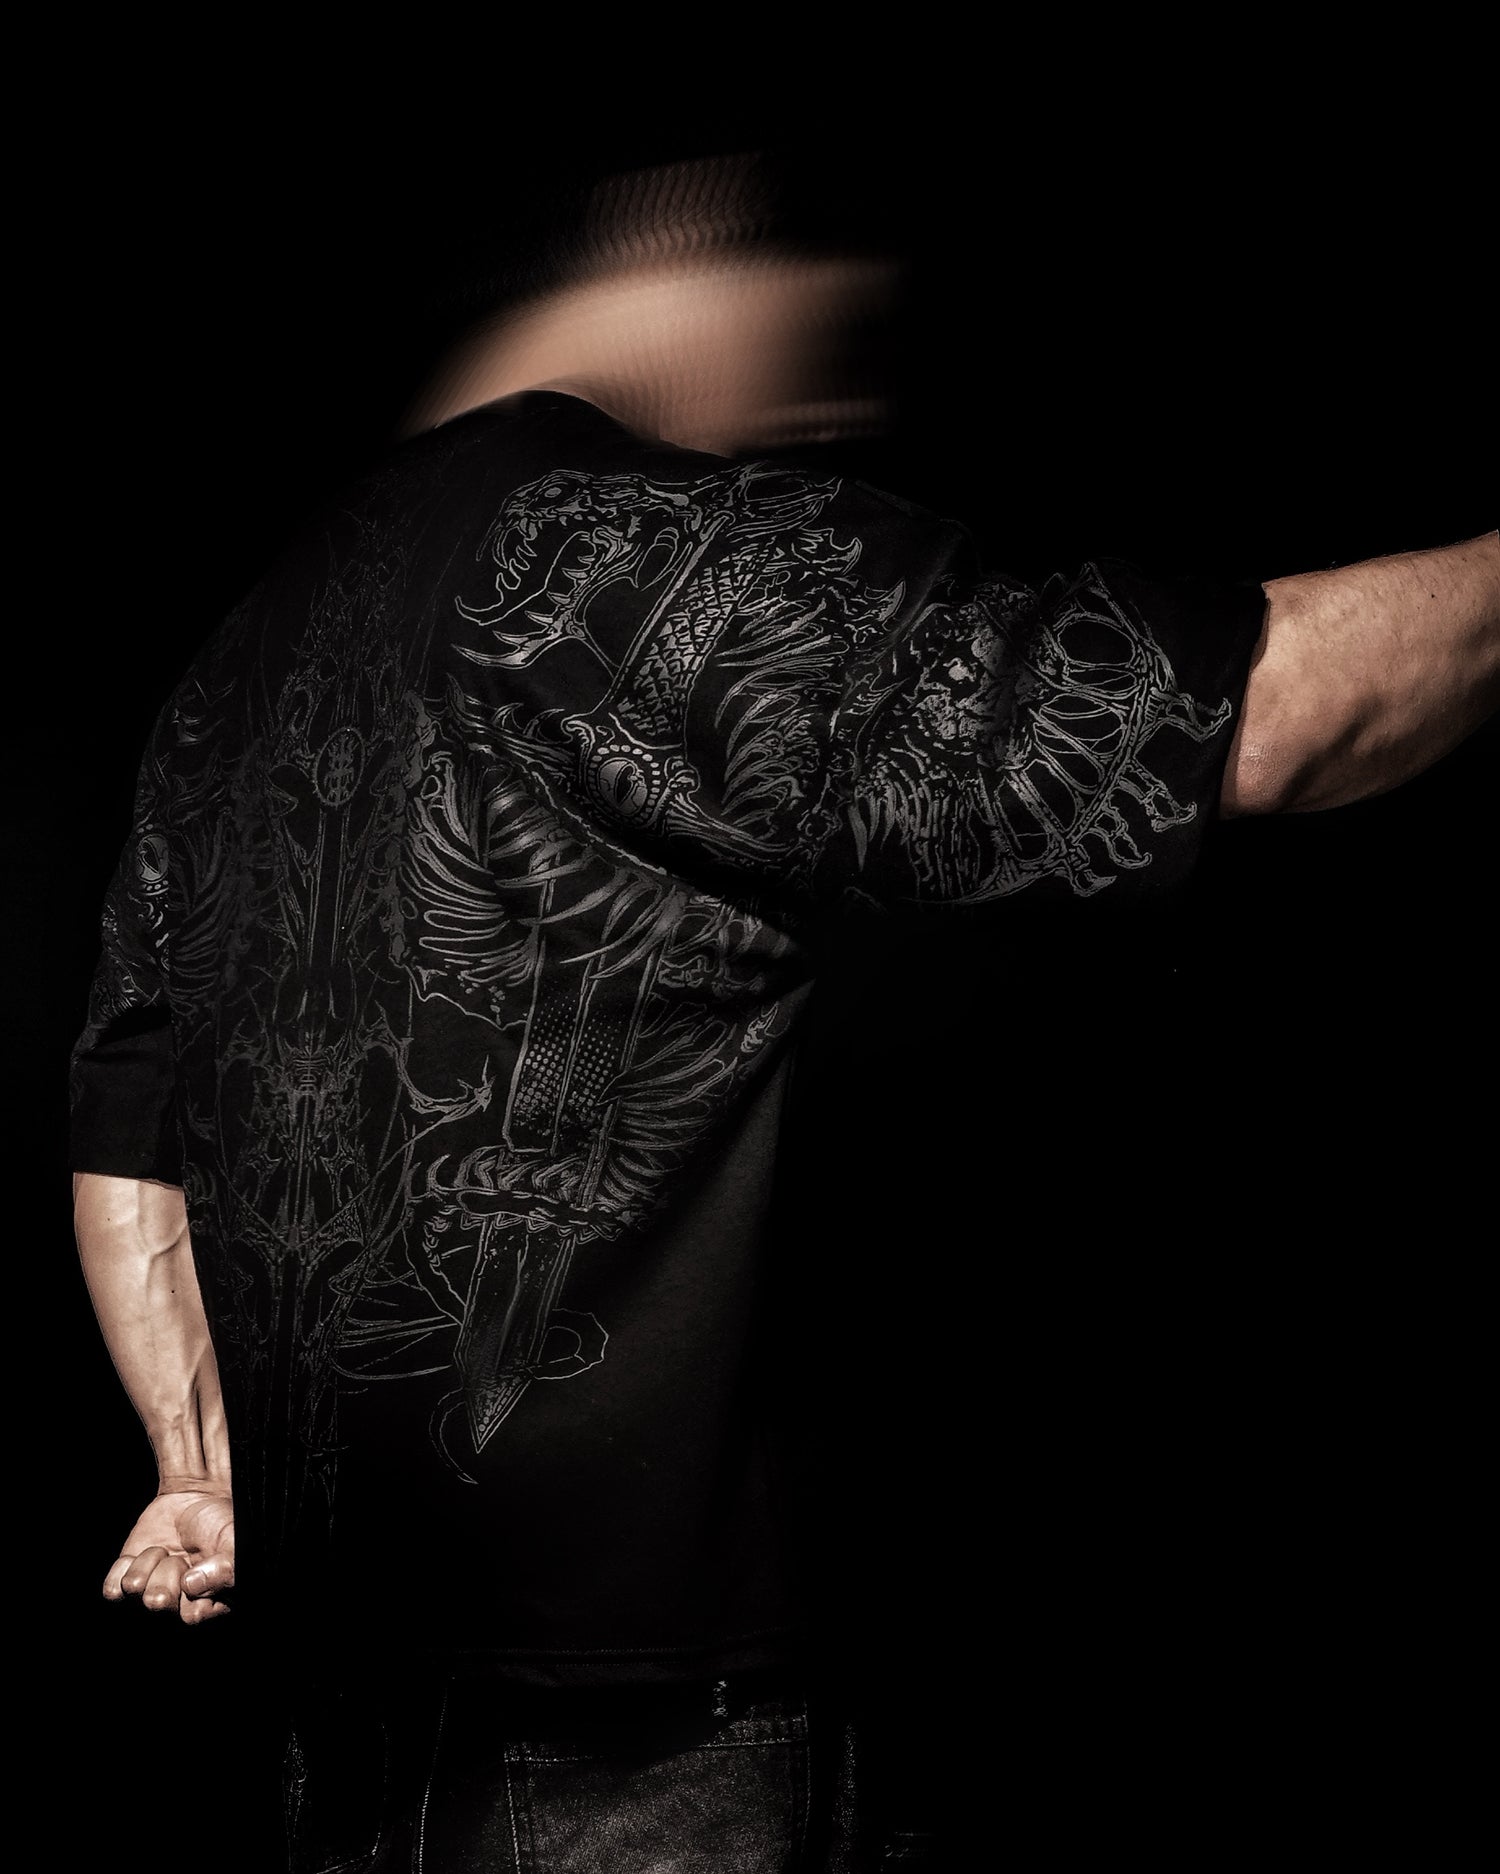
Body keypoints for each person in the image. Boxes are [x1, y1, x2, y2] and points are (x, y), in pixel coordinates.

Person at [69, 161, 1499, 1871]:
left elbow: (129, 1148)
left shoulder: (240, 653)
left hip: (341, 1712)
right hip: (662, 1745)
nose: (831, 411)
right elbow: (1261, 712)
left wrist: (200, 1472)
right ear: (680, 237)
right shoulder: (659, 548)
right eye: (826, 340)